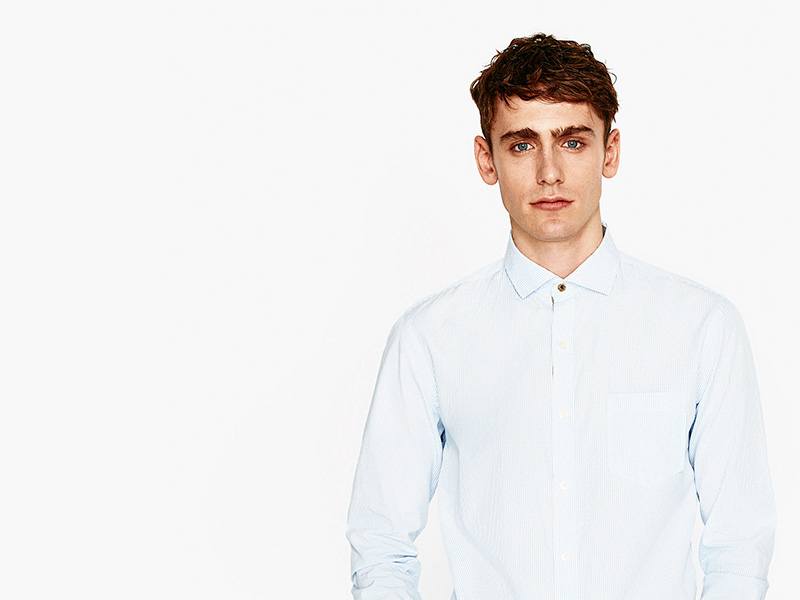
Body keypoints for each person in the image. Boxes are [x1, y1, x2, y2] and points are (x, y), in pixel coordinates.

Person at [344, 32, 776, 600]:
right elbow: (381, 545)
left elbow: (739, 546)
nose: (549, 172)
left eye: (572, 142)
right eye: (522, 144)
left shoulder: (701, 328)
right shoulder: (429, 338)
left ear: (610, 152)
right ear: (487, 160)